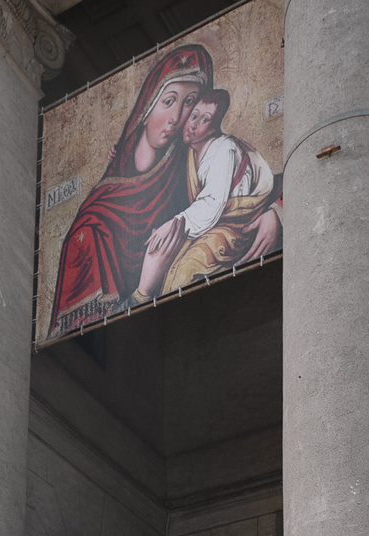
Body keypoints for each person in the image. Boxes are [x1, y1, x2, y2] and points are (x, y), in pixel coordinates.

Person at [46, 44, 212, 338]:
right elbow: (85, 334)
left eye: (190, 102)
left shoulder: (185, 169)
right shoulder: (90, 228)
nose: (177, 117)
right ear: (146, 107)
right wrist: (143, 291)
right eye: (169, 101)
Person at [138, 88, 281, 302]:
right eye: (193, 116)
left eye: (204, 120)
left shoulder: (224, 149)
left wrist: (173, 223)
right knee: (170, 265)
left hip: (236, 226)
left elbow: (213, 203)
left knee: (185, 271)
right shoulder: (190, 153)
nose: (193, 124)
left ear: (214, 128)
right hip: (211, 224)